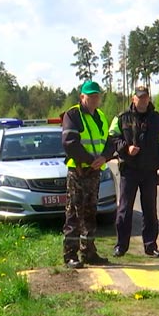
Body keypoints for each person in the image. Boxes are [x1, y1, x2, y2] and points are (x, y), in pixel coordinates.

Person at [108, 85, 159, 258]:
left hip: (150, 172)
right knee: (124, 209)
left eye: (145, 97)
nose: (143, 100)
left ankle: (150, 246)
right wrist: (125, 148)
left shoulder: (158, 119)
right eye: (140, 97)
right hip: (129, 170)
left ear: (149, 99)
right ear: (133, 99)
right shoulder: (122, 118)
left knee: (150, 210)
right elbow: (113, 138)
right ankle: (121, 246)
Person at [61, 80, 117, 269]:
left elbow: (110, 141)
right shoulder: (73, 115)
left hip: (94, 171)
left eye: (96, 95)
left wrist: (105, 157)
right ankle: (70, 254)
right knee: (74, 214)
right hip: (78, 171)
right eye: (90, 96)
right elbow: (69, 142)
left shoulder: (100, 115)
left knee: (91, 213)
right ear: (82, 97)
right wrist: (88, 159)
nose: (94, 99)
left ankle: (89, 252)